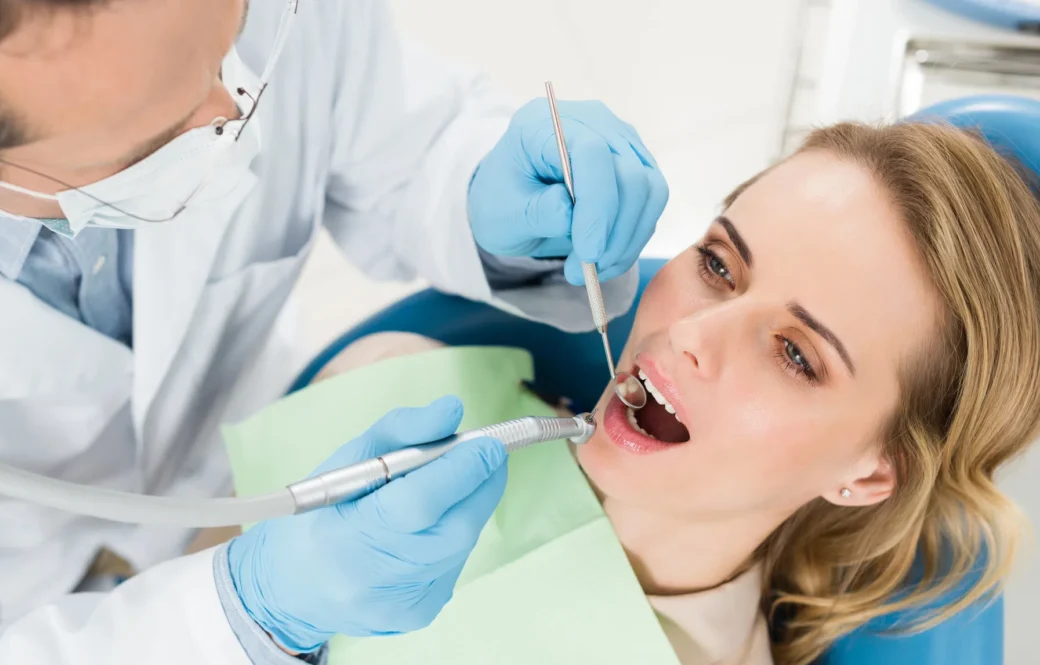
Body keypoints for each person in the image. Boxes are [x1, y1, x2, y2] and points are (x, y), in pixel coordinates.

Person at [0, 1, 670, 663]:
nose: (234, 114)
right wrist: (250, 608)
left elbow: (404, 145)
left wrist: (490, 197)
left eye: (231, 42)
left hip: (256, 438)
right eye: (153, 144)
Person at [279, 121, 1040, 665]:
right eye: (718, 267)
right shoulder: (390, 398)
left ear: (870, 473)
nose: (690, 338)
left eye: (795, 354)